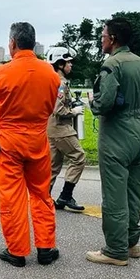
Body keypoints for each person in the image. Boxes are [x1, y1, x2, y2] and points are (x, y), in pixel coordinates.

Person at [0, 22, 61, 267]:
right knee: (41, 194)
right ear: (33, 43)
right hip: (38, 140)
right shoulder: (51, 74)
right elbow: (51, 105)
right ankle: (46, 247)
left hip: (9, 143)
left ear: (13, 43)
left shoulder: (0, 73)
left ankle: (16, 251)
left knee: (12, 197)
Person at [86, 17, 140, 266]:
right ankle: (131, 242)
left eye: (103, 35)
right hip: (137, 132)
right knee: (133, 192)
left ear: (113, 38)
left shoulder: (112, 65)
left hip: (115, 135)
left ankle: (115, 250)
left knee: (114, 194)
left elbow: (105, 103)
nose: (101, 39)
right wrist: (136, 122)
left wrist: (92, 103)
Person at [46, 47, 86, 213]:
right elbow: (58, 109)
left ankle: (43, 199)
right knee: (79, 157)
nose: (71, 65)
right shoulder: (60, 84)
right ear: (60, 64)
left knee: (53, 167)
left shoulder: (52, 80)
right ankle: (65, 195)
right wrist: (73, 111)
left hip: (51, 128)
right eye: (68, 62)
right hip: (61, 128)